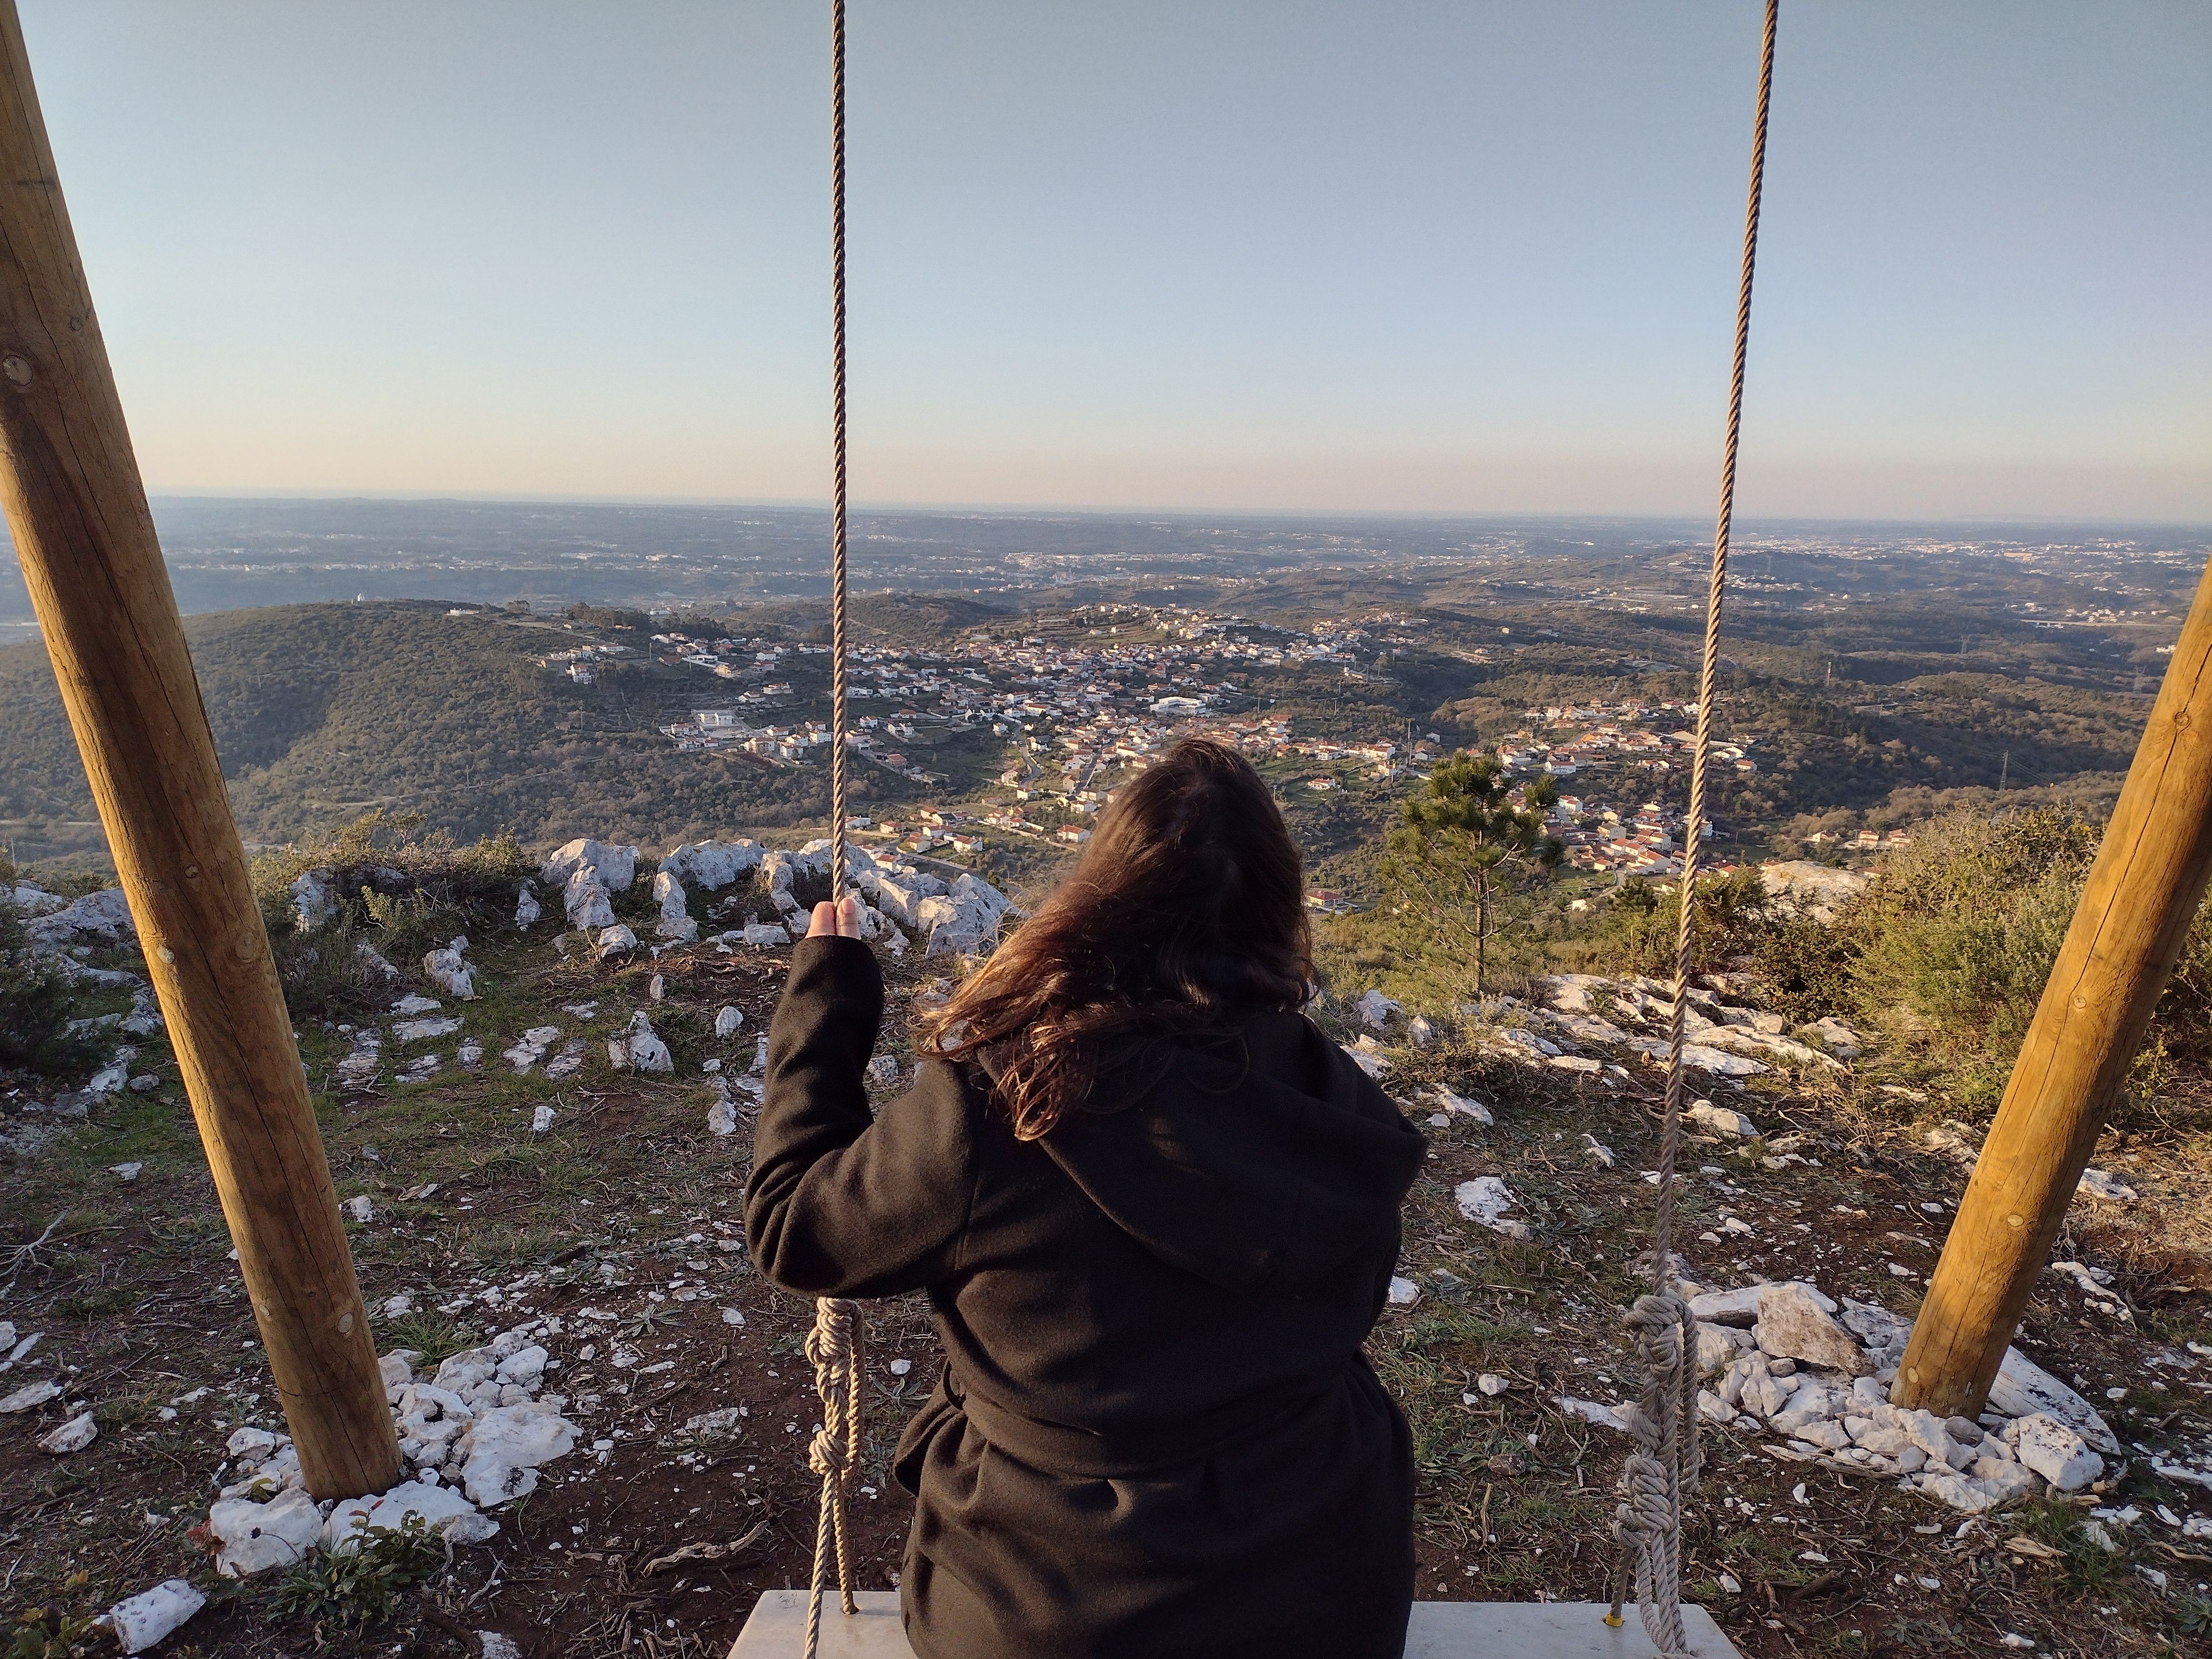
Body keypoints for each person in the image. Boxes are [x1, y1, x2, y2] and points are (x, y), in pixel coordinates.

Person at [746, 737, 1425, 1659]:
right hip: (1321, 1592)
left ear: (1097, 898)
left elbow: (794, 1229)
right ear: (1275, 909)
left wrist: (825, 1005)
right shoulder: (1332, 1102)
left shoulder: (1004, 1105)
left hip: (1046, 1606)